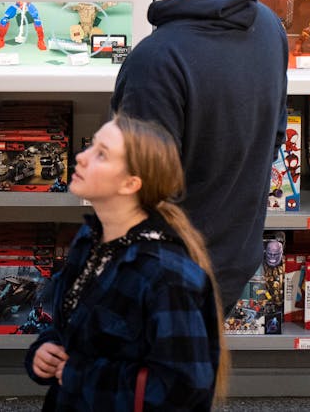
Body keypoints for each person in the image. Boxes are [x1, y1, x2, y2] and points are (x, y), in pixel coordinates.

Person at [111, 0, 290, 307]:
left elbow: (138, 190)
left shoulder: (155, 60)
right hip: (232, 261)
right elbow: (275, 136)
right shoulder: (266, 24)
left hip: (168, 276)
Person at [26, 115, 228, 411]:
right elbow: (74, 329)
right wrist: (44, 351)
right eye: (91, 147)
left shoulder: (167, 275)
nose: (81, 157)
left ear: (131, 183)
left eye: (101, 154)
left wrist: (79, 375)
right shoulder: (89, 239)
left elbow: (184, 390)